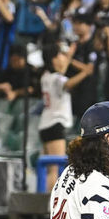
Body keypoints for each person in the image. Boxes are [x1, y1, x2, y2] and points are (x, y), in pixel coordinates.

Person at [38, 44, 93, 191]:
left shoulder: (45, 76)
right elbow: (67, 83)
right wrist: (85, 73)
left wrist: (69, 56)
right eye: (60, 55)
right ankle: (51, 205)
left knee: (49, 168)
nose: (63, 58)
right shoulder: (57, 79)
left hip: (45, 124)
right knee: (55, 168)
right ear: (53, 59)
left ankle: (46, 201)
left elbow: (61, 71)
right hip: (55, 124)